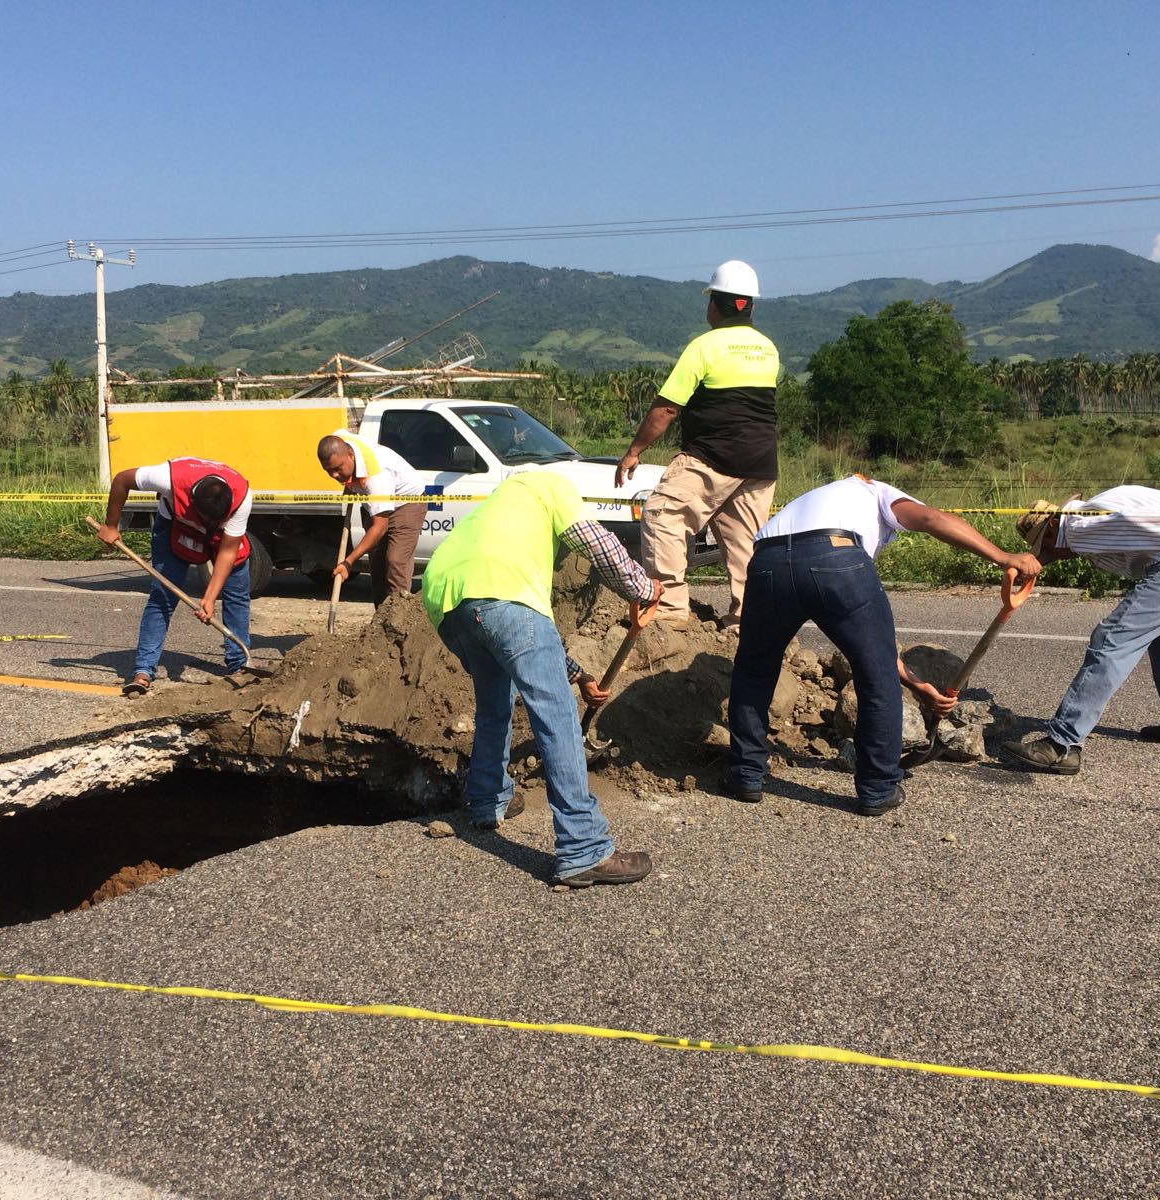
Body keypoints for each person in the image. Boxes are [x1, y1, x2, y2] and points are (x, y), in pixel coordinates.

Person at [724, 474, 1042, 814]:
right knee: (875, 679)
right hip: (836, 557)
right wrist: (1003, 557)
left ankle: (746, 775)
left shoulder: (819, 499)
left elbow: (875, 647)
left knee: (754, 671)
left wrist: (919, 686)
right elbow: (932, 519)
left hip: (765, 563)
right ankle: (877, 788)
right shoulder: (877, 492)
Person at [422, 469, 663, 888]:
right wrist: (641, 587)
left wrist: (580, 675)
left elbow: (514, 640)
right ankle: (583, 848)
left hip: (447, 604)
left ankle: (487, 801)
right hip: (502, 595)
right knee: (556, 716)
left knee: (495, 704)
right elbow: (596, 540)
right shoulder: (547, 485)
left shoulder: (494, 510)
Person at [1003, 486, 1160, 775]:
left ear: (1054, 526)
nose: (1052, 557)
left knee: (1111, 639)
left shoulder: (1082, 525)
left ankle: (1061, 745)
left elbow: (1145, 524)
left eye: (1045, 547)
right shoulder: (1094, 516)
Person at [614, 259, 780, 632]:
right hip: (760, 463)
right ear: (750, 304)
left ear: (715, 304)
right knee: (744, 542)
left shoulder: (704, 347)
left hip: (713, 456)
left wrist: (634, 451)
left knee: (661, 514)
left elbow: (667, 408)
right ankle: (747, 619)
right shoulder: (767, 349)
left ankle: (670, 610)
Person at [96, 456, 253, 696]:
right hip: (175, 529)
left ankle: (239, 665)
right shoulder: (167, 478)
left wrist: (209, 598)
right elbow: (121, 480)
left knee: (237, 595)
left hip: (222, 539)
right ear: (191, 501)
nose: (210, 522)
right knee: (162, 596)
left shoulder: (242, 497)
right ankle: (143, 670)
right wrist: (111, 525)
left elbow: (228, 552)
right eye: (207, 518)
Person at [317, 431, 427, 606]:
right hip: (374, 503)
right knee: (378, 566)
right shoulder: (339, 441)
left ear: (351, 455)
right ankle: (380, 624)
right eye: (329, 471)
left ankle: (399, 621)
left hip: (407, 502)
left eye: (338, 469)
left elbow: (380, 526)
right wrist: (350, 484)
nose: (334, 476)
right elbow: (338, 434)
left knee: (396, 561)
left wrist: (348, 562)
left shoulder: (376, 477)